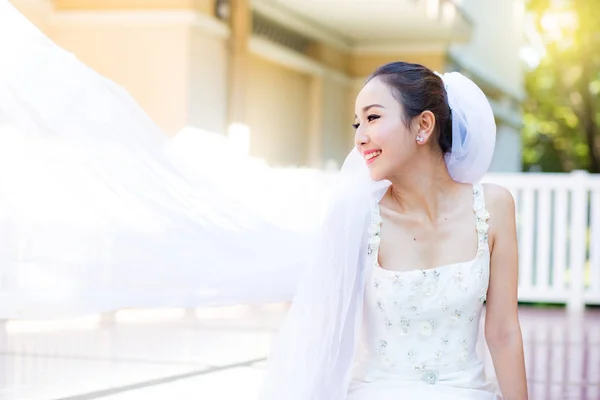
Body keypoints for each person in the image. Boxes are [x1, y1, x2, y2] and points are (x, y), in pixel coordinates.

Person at [0, 2, 527, 399]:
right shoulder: (356, 216)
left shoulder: (494, 208)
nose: (359, 136)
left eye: (372, 117)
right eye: (354, 123)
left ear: (423, 125)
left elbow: (502, 332)